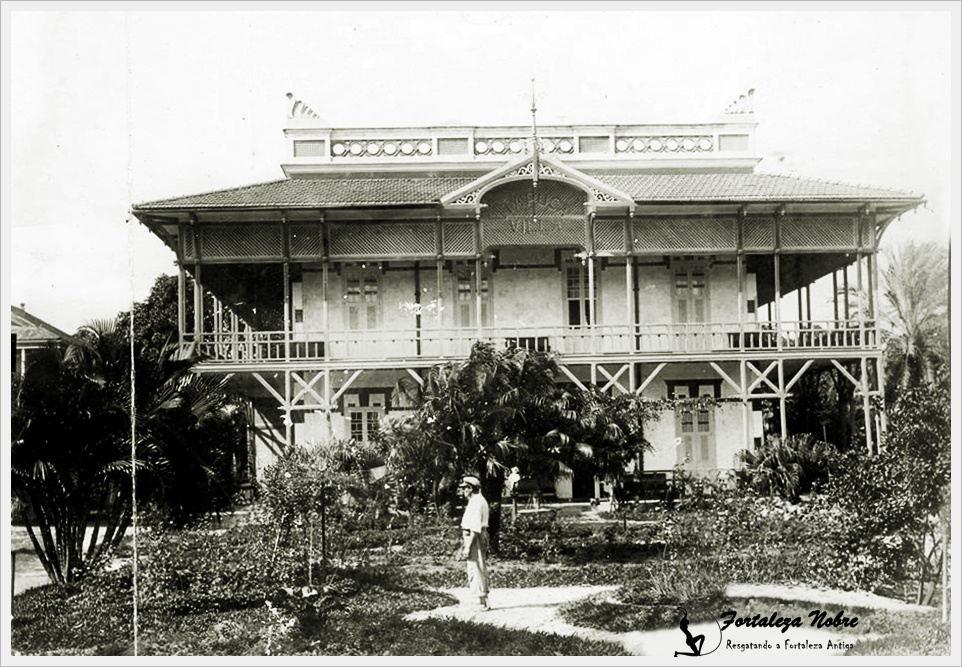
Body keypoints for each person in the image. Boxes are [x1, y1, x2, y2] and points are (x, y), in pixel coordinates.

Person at [457, 475, 490, 610]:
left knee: (477, 567)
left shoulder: (477, 502)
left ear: (470, 488)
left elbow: (475, 528)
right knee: (475, 567)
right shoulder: (477, 500)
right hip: (473, 535)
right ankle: (482, 599)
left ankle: (484, 601)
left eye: (465, 488)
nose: (463, 491)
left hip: (475, 536)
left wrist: (467, 547)